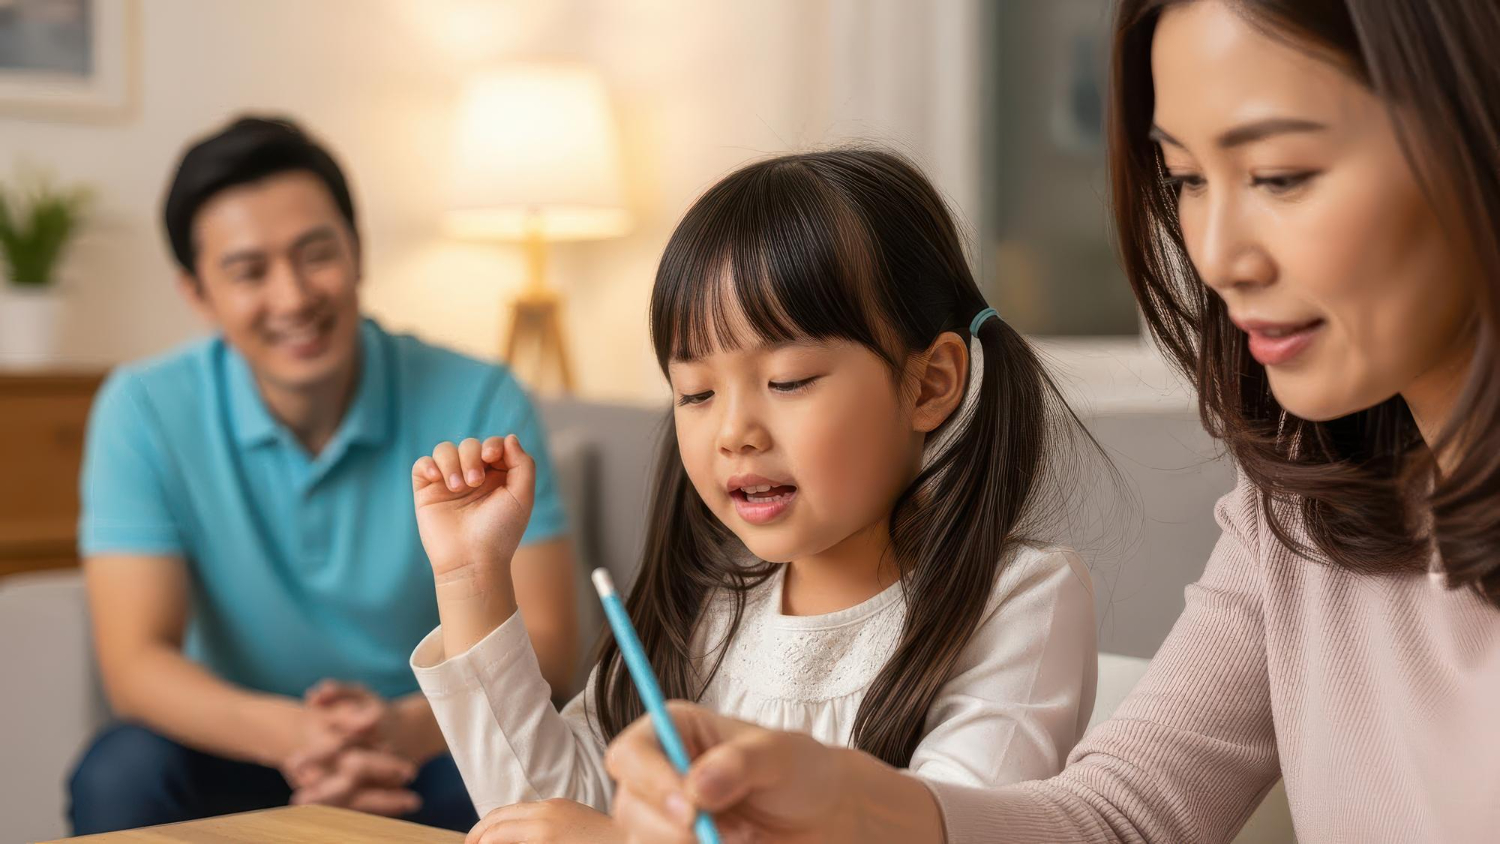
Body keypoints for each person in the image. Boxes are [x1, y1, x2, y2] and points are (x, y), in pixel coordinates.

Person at [602, 1, 1500, 841]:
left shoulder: (1021, 596)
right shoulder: (1297, 514)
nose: (1217, 255)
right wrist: (844, 798)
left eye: (1279, 175)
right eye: (1185, 177)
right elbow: (1120, 818)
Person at [407, 148, 1103, 843]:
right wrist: (471, 577)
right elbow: (539, 815)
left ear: (928, 383)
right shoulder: (707, 606)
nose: (734, 432)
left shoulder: (1016, 600)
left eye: (789, 379)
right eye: (697, 393)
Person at [66, 116, 579, 835]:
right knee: (121, 773)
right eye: (249, 272)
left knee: (521, 790)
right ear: (197, 294)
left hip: (427, 742)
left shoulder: (478, 396)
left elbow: (552, 641)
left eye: (316, 254)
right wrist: (299, 738)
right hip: (245, 742)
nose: (293, 297)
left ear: (359, 252)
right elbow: (135, 662)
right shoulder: (144, 407)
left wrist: (396, 733)